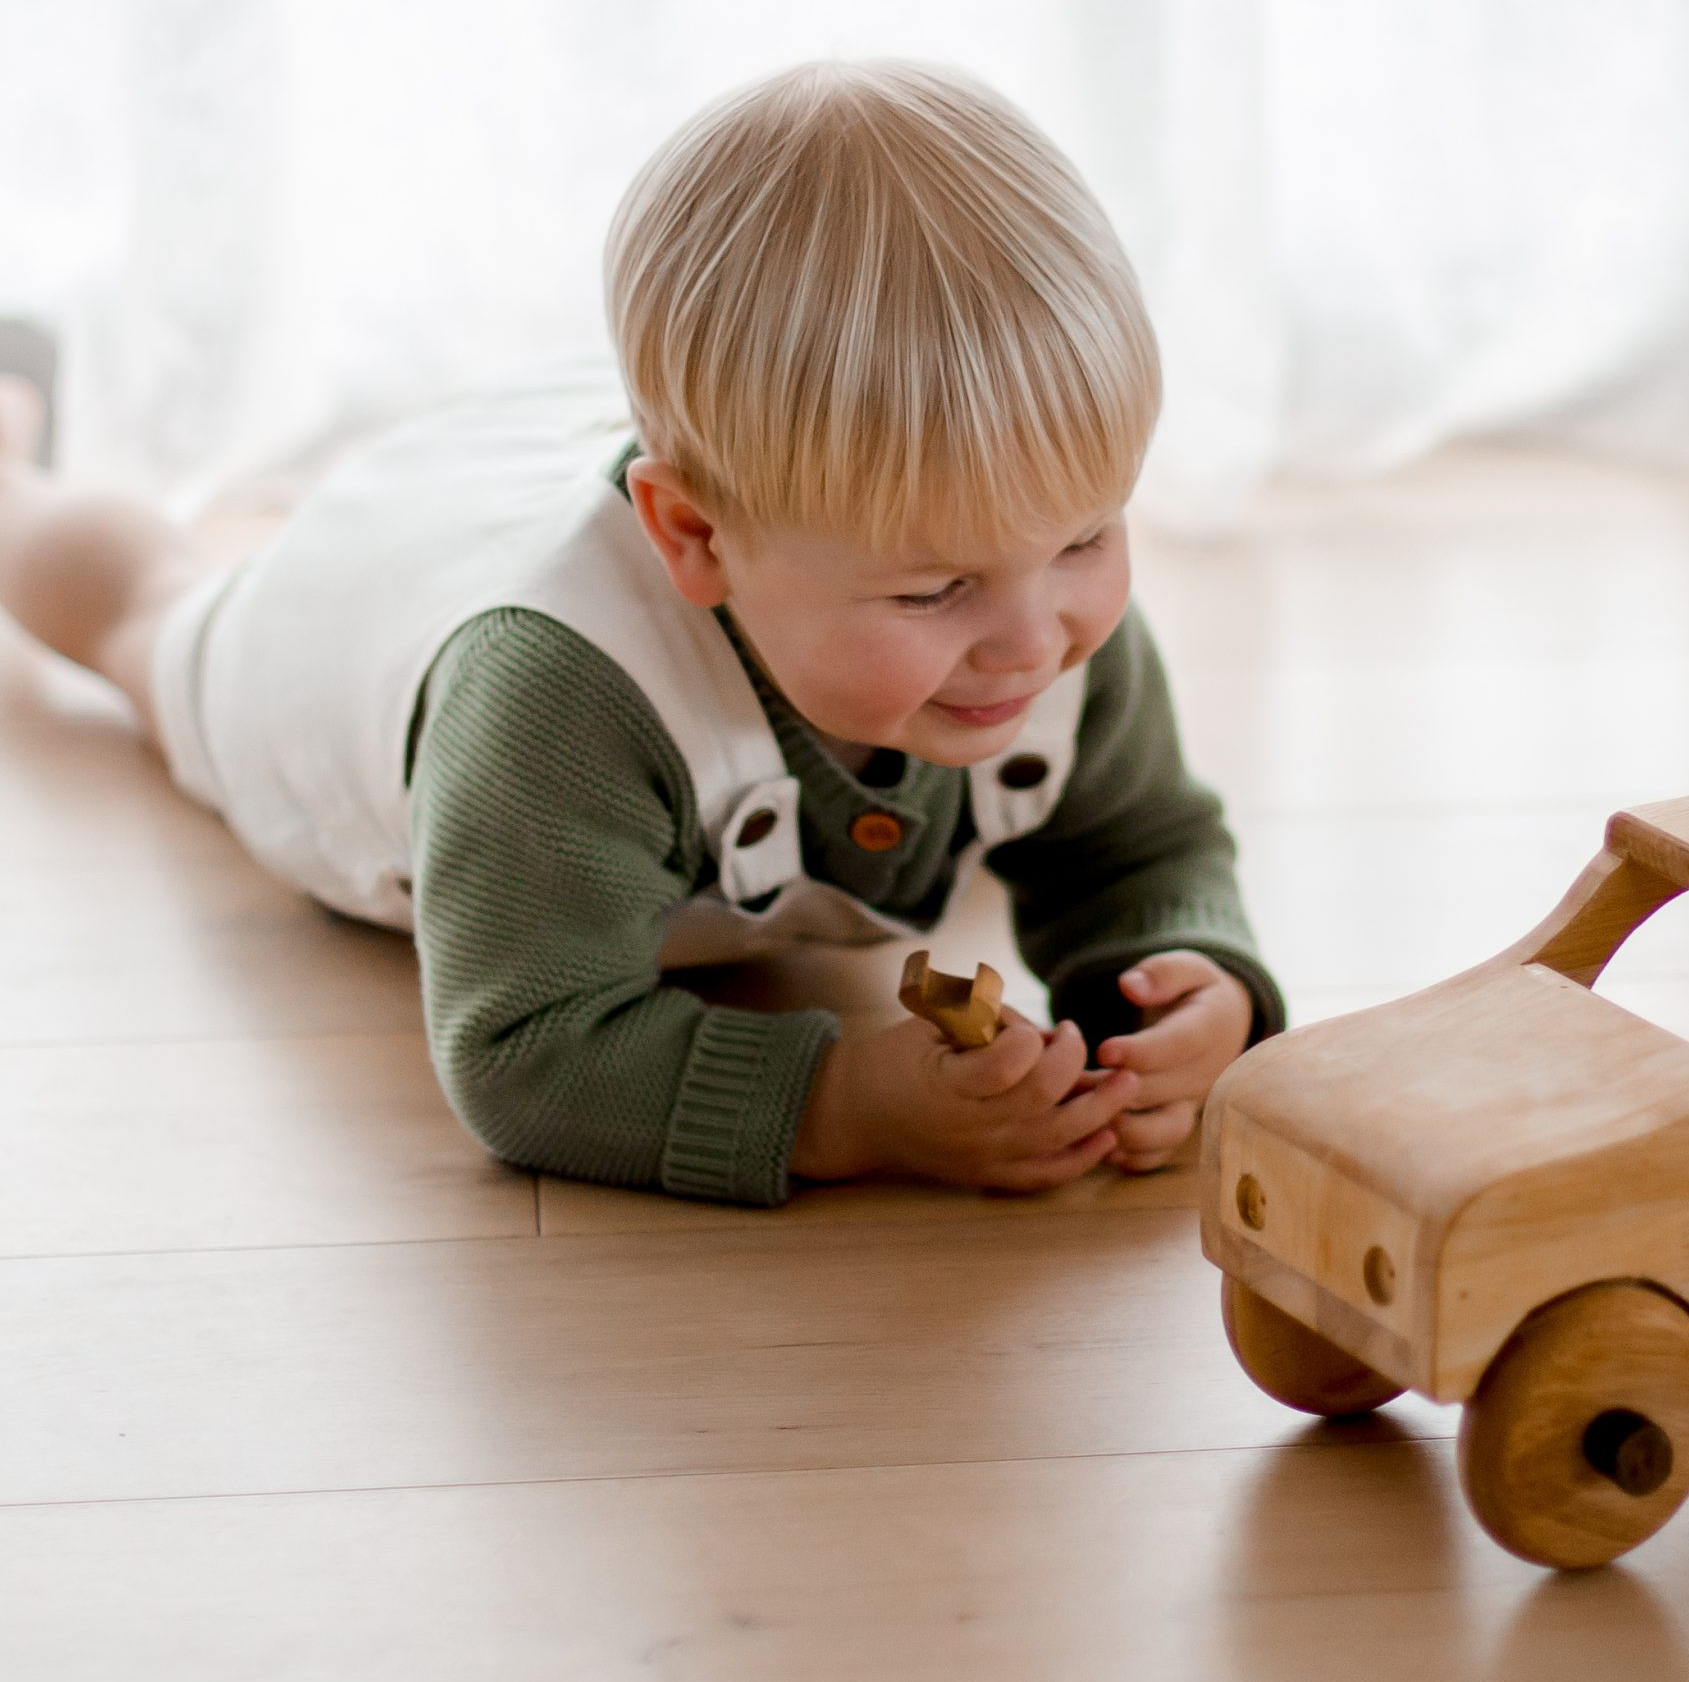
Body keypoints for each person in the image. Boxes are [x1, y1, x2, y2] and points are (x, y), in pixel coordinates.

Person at [0, 60, 1281, 1205]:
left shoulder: (1025, 591)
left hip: (622, 474)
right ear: (696, 537)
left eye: (1083, 539)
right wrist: (841, 1109)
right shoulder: (553, 702)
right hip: (362, 627)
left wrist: (1180, 985)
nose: (1033, 640)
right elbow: (530, 1046)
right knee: (144, 607)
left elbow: (1138, 838)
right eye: (934, 591)